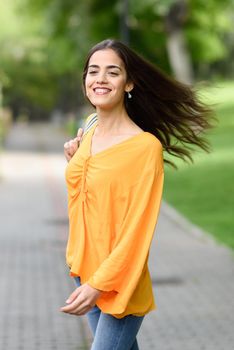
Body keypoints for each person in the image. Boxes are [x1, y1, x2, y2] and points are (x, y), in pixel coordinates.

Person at [61, 39, 213, 350]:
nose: (100, 79)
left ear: (129, 82)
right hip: (83, 270)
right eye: (93, 71)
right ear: (85, 81)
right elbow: (89, 196)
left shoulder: (144, 148)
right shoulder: (89, 129)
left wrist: (97, 285)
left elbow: (137, 232)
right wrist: (76, 161)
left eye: (112, 72)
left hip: (118, 282)